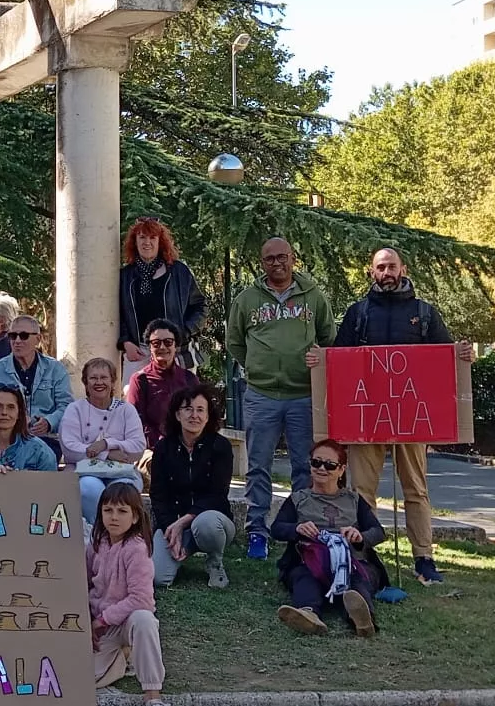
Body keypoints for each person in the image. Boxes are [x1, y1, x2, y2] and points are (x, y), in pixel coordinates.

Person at [309, 246, 473, 585]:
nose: (386, 272)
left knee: (416, 489)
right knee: (361, 492)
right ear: (372, 273)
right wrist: (319, 363)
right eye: (380, 267)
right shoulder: (357, 314)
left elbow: (444, 359)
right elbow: (339, 359)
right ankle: (363, 555)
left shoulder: (424, 313)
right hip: (366, 418)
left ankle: (424, 557)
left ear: (403, 269)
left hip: (412, 418)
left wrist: (462, 356)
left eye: (391, 266)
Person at [225, 237, 335, 561]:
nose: (277, 263)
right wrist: (260, 366)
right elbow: (235, 342)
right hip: (261, 396)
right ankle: (257, 531)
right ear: (262, 263)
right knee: (258, 466)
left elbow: (328, 338)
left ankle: (301, 531)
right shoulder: (247, 300)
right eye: (270, 259)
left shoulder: (313, 296)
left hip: (303, 395)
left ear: (293, 258)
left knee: (306, 466)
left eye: (282, 257)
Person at [270, 438, 388, 637]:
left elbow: (378, 532)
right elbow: (277, 529)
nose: (321, 469)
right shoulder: (299, 499)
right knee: (304, 578)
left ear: (341, 470)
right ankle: (309, 615)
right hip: (310, 561)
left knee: (358, 583)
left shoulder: (353, 500)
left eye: (329, 465)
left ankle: (362, 619)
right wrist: (297, 528)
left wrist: (359, 537)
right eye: (316, 463)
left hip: (352, 562)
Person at [89, 482, 177, 706]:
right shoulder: (97, 543)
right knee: (83, 678)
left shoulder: (137, 548)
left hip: (123, 621)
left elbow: (142, 599)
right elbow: (83, 581)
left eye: (121, 511)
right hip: (101, 626)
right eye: (108, 510)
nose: (114, 517)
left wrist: (101, 620)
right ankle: (123, 658)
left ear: (135, 515)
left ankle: (153, 699)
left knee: (144, 619)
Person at [149, 382, 236, 590]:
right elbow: (158, 495)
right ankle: (181, 551)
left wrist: (184, 522)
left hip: (212, 522)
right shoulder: (163, 448)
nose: (194, 415)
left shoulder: (220, 447)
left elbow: (218, 495)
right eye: (188, 409)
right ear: (177, 415)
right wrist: (171, 528)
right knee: (159, 578)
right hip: (174, 521)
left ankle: (214, 562)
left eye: (200, 410)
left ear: (208, 416)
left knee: (205, 523)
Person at [59, 357, 146, 529]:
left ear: (113, 381)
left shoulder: (126, 409)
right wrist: (108, 454)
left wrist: (106, 443)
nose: (99, 382)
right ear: (85, 382)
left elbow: (137, 447)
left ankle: (120, 539)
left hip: (122, 473)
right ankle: (96, 534)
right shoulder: (75, 409)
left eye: (104, 378)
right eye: (93, 378)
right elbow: (69, 448)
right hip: (84, 473)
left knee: (123, 491)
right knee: (90, 489)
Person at [118, 218, 206, 380]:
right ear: (135, 242)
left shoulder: (179, 272)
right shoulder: (126, 276)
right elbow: (118, 314)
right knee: (133, 399)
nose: (147, 243)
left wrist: (183, 332)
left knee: (179, 401)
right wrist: (125, 342)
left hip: (176, 348)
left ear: (160, 241)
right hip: (140, 351)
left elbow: (200, 307)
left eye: (152, 238)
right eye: (142, 237)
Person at [0, 315, 72, 457]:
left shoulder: (55, 369)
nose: (17, 341)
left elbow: (67, 405)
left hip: (46, 439)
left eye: (23, 336)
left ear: (38, 339)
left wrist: (49, 422)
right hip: (8, 440)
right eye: (12, 336)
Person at [126, 317, 200, 450]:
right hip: (151, 449)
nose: (162, 347)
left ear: (175, 346)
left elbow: (199, 416)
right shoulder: (140, 380)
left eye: (168, 342)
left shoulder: (190, 380)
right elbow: (135, 422)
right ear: (149, 347)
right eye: (156, 343)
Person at [0, 384, 58, 472]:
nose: (4, 412)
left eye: (11, 407)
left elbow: (49, 485)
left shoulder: (40, 451)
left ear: (19, 413)